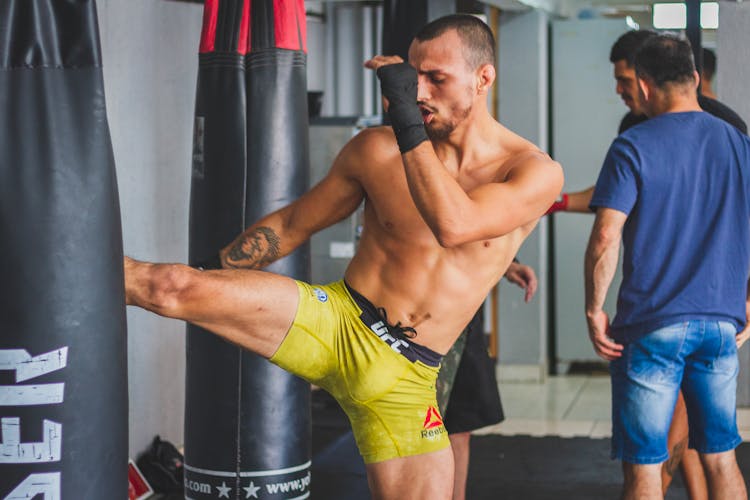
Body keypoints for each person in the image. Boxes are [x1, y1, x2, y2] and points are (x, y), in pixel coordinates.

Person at [124, 14, 563, 500]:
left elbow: (453, 225)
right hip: (336, 320)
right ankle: (33, 283)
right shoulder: (375, 151)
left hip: (406, 378)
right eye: (412, 79)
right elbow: (291, 226)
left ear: (484, 78)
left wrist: (403, 115)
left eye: (437, 79)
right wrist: (209, 277)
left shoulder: (532, 172)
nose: (420, 92)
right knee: (168, 287)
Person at [548, 29, 749, 499]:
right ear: (695, 78)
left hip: (653, 327)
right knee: (722, 459)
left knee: (645, 467)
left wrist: (593, 309)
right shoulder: (741, 145)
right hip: (721, 325)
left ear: (642, 85)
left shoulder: (633, 144)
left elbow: (605, 235)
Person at [548, 31, 747, 217]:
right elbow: (615, 193)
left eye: (624, 81)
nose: (618, 90)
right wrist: (557, 201)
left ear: (646, 78)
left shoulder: (727, 126)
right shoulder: (632, 126)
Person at [443, 260, 537, 500]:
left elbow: (476, 234)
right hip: (406, 318)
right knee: (410, 432)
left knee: (458, 426)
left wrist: (508, 264)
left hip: (461, 316)